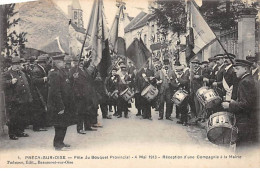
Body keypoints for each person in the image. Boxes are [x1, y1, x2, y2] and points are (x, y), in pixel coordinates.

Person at [222, 59, 258, 147]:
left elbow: (246, 105)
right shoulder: (250, 79)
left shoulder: (244, 82)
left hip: (245, 122)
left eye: (237, 69)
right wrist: (235, 101)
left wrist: (229, 105)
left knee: (242, 148)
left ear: (245, 69)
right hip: (252, 121)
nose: (235, 71)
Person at [47, 54, 76, 150]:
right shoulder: (54, 73)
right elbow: (55, 92)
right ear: (57, 63)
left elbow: (66, 84)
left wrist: (72, 78)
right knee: (59, 124)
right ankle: (58, 144)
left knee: (63, 123)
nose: (65, 63)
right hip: (58, 104)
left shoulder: (62, 71)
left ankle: (61, 142)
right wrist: (60, 106)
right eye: (63, 61)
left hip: (64, 102)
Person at [3, 56, 33, 140]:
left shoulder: (22, 73)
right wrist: (10, 82)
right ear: (12, 65)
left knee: (21, 116)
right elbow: (2, 83)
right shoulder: (8, 73)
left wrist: (29, 97)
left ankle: (20, 131)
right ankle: (12, 133)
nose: (17, 66)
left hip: (22, 99)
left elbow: (27, 86)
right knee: (13, 117)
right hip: (13, 99)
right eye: (15, 64)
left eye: (18, 64)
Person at [30, 55, 49, 131]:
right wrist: (43, 79)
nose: (46, 64)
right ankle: (37, 126)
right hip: (37, 92)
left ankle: (41, 125)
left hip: (40, 91)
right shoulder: (36, 70)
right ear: (42, 63)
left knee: (41, 108)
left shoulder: (40, 69)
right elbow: (34, 81)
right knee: (38, 109)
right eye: (45, 62)